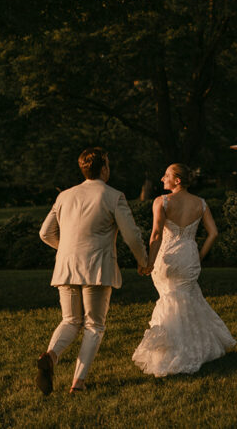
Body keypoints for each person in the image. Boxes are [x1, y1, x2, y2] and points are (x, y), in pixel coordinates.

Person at [36, 147, 149, 395]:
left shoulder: (64, 196)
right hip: (97, 267)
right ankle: (78, 383)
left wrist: (67, 249)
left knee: (69, 320)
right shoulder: (113, 196)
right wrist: (143, 261)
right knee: (94, 325)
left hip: (66, 266)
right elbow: (131, 235)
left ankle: (51, 356)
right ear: (104, 168)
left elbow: (45, 233)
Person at [132, 163, 235, 377]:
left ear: (177, 180)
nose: (162, 179)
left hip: (167, 258)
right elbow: (213, 233)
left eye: (166, 175)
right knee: (186, 299)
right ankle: (196, 347)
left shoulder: (162, 202)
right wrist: (199, 256)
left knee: (169, 299)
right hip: (188, 256)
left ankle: (171, 352)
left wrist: (149, 263)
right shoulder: (201, 203)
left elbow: (156, 235)